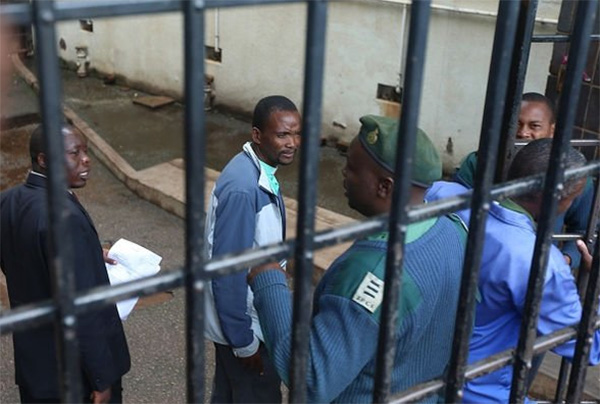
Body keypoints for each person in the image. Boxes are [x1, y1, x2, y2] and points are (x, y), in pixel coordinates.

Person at [247, 115, 467, 402]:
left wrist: (269, 280)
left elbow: (312, 378)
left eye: (351, 168)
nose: (343, 173)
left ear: (385, 187)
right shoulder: (452, 231)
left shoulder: (372, 272)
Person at [426, 138, 600, 403]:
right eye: (571, 198)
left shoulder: (441, 195)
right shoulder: (540, 261)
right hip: (477, 392)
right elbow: (586, 349)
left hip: (415, 375)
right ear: (551, 197)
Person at [0, 123, 130, 403]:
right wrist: (101, 378)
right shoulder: (64, 218)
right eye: (74, 153)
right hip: (74, 377)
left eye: (85, 151)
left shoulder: (8, 201)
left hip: (35, 368)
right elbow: (83, 309)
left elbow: (23, 255)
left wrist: (88, 251)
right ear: (44, 160)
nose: (86, 160)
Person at [204, 95, 302, 403]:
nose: (292, 143)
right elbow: (228, 269)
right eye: (282, 134)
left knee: (229, 394)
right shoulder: (244, 188)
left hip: (251, 321)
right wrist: (244, 341)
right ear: (257, 135)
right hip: (248, 329)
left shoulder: (260, 170)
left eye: (296, 133)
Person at [454, 92, 594, 269]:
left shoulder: (573, 177)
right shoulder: (480, 163)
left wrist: (564, 260)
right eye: (517, 124)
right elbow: (453, 215)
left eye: (534, 126)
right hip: (477, 265)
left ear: (552, 130)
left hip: (536, 270)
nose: (523, 133)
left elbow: (585, 231)